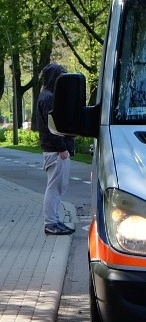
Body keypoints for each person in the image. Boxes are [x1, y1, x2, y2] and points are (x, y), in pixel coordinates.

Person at [37, 63, 76, 236]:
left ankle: (54, 220)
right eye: (61, 76)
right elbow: (52, 127)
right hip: (55, 151)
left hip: (53, 150)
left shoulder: (45, 96)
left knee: (56, 188)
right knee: (54, 189)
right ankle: (51, 223)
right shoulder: (49, 98)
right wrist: (62, 148)